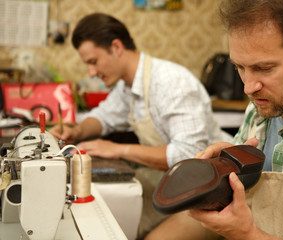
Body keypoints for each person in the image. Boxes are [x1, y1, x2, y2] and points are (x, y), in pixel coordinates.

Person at [146, 0, 283, 239]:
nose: (248, 87)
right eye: (240, 67)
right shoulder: (262, 106)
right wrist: (222, 180)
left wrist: (246, 234)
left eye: (265, 68)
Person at [49, 13, 232, 239]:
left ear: (116, 47)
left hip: (211, 194)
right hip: (177, 184)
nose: (91, 73)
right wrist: (75, 131)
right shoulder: (128, 87)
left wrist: (118, 149)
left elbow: (188, 156)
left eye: (93, 62)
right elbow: (103, 117)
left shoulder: (170, 82)